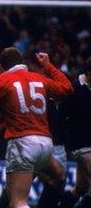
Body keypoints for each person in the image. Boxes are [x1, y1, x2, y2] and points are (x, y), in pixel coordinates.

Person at [0, 48, 73, 208]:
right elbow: (67, 88)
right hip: (45, 144)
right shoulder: (39, 78)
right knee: (57, 178)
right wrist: (49, 66)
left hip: (22, 143)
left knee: (18, 202)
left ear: (0, 67)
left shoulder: (1, 80)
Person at [59, 61, 91, 208]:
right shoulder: (73, 89)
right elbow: (62, 117)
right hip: (79, 144)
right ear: (89, 72)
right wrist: (67, 143)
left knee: (81, 188)